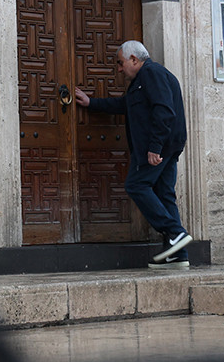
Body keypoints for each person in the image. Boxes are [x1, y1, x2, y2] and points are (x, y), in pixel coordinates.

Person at [74, 40, 193, 269]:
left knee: (136, 185)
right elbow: (125, 105)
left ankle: (175, 232)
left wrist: (154, 147)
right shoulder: (144, 80)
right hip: (168, 145)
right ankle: (178, 254)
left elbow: (164, 111)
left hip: (161, 146)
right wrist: (92, 103)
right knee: (165, 194)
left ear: (133, 60)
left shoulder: (152, 73)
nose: (119, 69)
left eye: (120, 63)